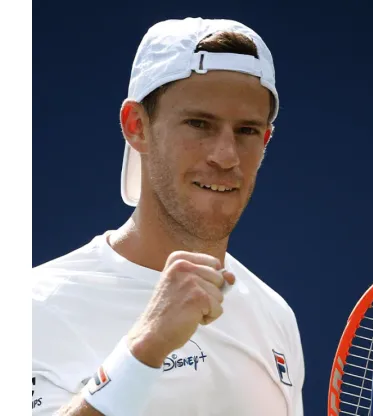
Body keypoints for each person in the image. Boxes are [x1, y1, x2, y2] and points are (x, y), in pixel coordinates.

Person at [32, 18, 304, 416]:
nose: (226, 156)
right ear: (136, 126)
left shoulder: (276, 315)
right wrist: (145, 348)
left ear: (265, 142)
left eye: (247, 130)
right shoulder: (32, 306)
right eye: (199, 124)